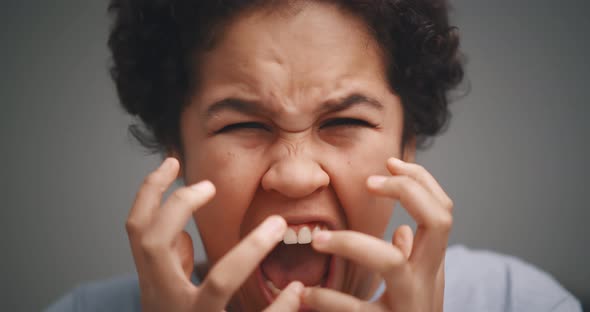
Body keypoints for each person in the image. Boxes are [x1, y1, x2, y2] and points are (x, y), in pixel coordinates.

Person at [46, 0, 581, 311]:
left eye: (345, 122)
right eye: (242, 125)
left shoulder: (523, 302)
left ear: (408, 140)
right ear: (175, 148)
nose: (296, 176)